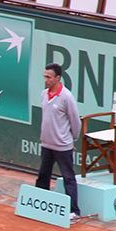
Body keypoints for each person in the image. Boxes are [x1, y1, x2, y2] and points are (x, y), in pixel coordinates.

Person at [35, 63, 81, 221]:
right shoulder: (43, 94)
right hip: (47, 145)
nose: (46, 80)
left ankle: (74, 211)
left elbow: (75, 121)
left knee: (68, 178)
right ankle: (39, 205)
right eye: (44, 77)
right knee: (43, 175)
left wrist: (72, 139)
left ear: (58, 78)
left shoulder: (67, 97)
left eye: (48, 77)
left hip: (62, 146)